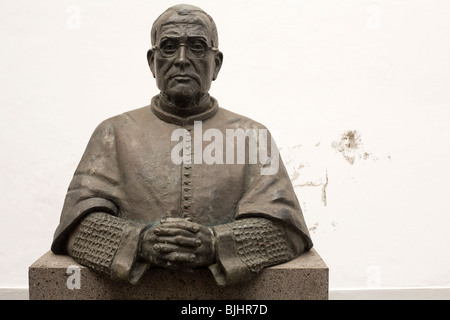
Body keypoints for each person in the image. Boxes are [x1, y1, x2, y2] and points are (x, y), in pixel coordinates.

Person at [51, 4, 313, 286]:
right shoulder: (112, 133)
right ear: (152, 62)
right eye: (168, 46)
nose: (182, 59)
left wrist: (217, 244)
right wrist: (138, 243)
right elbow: (76, 224)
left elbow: (286, 230)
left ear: (217, 64)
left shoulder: (253, 136)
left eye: (198, 46)